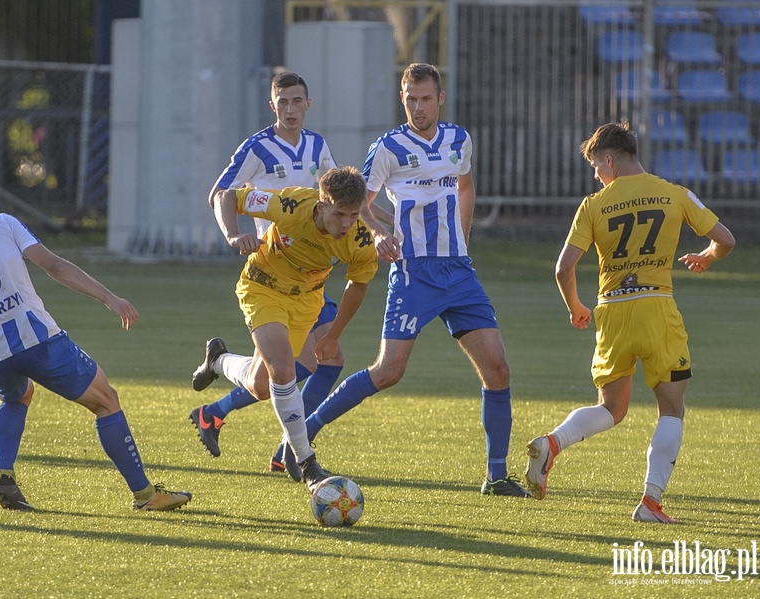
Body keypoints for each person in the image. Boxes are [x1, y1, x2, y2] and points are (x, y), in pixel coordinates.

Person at [301, 63, 530, 497]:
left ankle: (496, 475)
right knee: (388, 372)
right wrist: (382, 233)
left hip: (458, 272)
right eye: (410, 98)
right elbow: (360, 204)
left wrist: (462, 237)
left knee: (497, 370)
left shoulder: (458, 140)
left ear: (439, 98)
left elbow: (465, 186)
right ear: (401, 98)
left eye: (425, 98)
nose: (418, 106)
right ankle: (302, 435)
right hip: (413, 273)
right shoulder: (387, 147)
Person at [0, 170, 191, 512]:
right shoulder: (0, 222)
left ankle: (4, 477)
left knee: (18, 396)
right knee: (106, 400)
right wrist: (110, 298)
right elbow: (54, 267)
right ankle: (146, 495)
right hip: (36, 339)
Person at [524, 122, 735, 522]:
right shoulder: (674, 194)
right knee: (671, 408)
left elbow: (563, 268)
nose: (595, 175)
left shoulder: (594, 204)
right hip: (657, 308)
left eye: (595, 166)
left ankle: (552, 444)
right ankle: (650, 502)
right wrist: (707, 256)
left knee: (612, 409)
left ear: (609, 160)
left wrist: (575, 307)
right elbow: (726, 239)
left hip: (612, 311)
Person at [191, 71, 350, 472]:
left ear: (308, 105)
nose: (291, 109)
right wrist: (235, 234)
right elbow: (219, 193)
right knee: (321, 362)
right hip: (273, 272)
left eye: (298, 101)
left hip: (313, 275)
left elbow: (339, 195)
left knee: (268, 381)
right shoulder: (258, 147)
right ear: (272, 105)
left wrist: (378, 223)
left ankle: (216, 391)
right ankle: (292, 451)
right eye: (284, 102)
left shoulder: (318, 146)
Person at [191, 166, 378, 492]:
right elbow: (227, 196)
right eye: (339, 215)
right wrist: (233, 234)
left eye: (353, 214)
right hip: (262, 288)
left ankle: (217, 360)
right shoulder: (291, 205)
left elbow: (357, 287)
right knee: (283, 369)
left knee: (260, 385)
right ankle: (306, 461)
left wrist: (333, 335)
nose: (347, 223)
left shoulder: (360, 240)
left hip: (306, 302)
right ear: (321, 207)